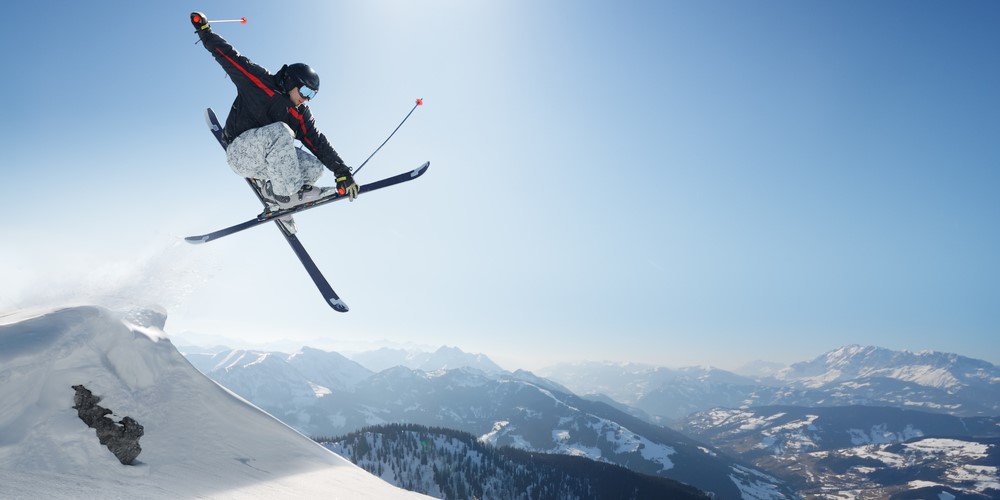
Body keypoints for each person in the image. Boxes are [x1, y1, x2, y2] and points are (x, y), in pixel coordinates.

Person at [190, 12, 358, 232]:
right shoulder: (260, 82)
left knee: (315, 168)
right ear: (292, 81)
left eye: (312, 95)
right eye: (306, 91)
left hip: (268, 165)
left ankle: (274, 194)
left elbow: (318, 142)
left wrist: (342, 172)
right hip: (240, 153)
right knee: (281, 131)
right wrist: (205, 32)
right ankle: (285, 196)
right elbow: (230, 57)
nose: (307, 99)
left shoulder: (301, 113)